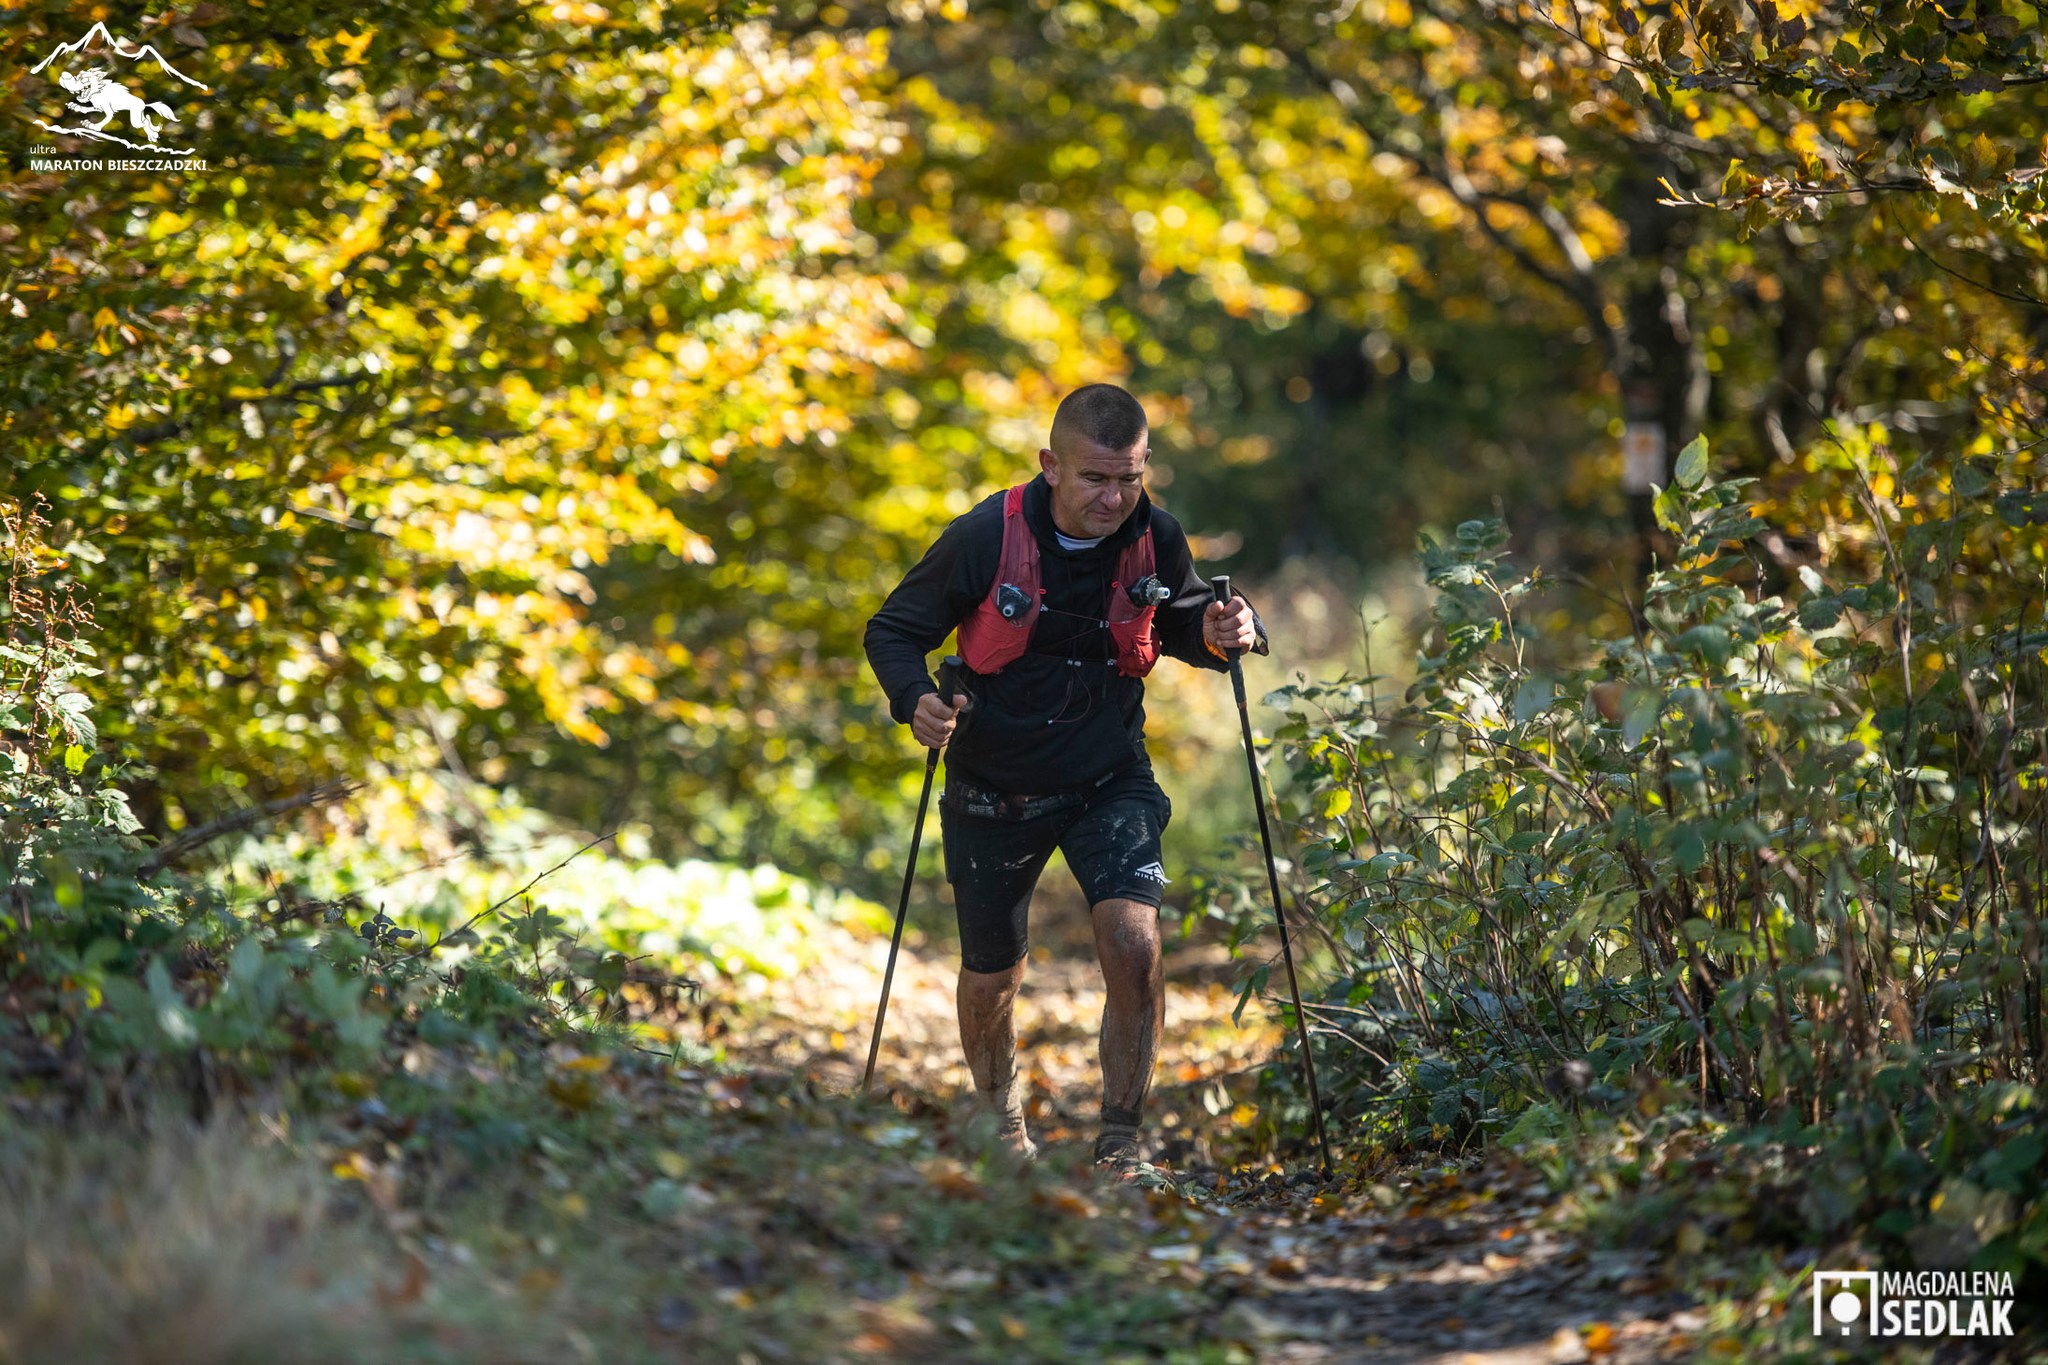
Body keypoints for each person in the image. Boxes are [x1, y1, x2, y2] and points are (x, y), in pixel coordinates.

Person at [862, 382, 1267, 1175]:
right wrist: (916, 702)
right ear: (1052, 465)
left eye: (1131, 478)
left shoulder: (1157, 536)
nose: (1114, 497)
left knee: (1133, 938)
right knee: (992, 976)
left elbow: (1191, 624)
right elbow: (894, 630)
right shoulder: (986, 535)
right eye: (1095, 478)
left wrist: (1230, 631)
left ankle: (1121, 1139)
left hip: (1106, 776)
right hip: (993, 783)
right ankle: (1004, 1128)